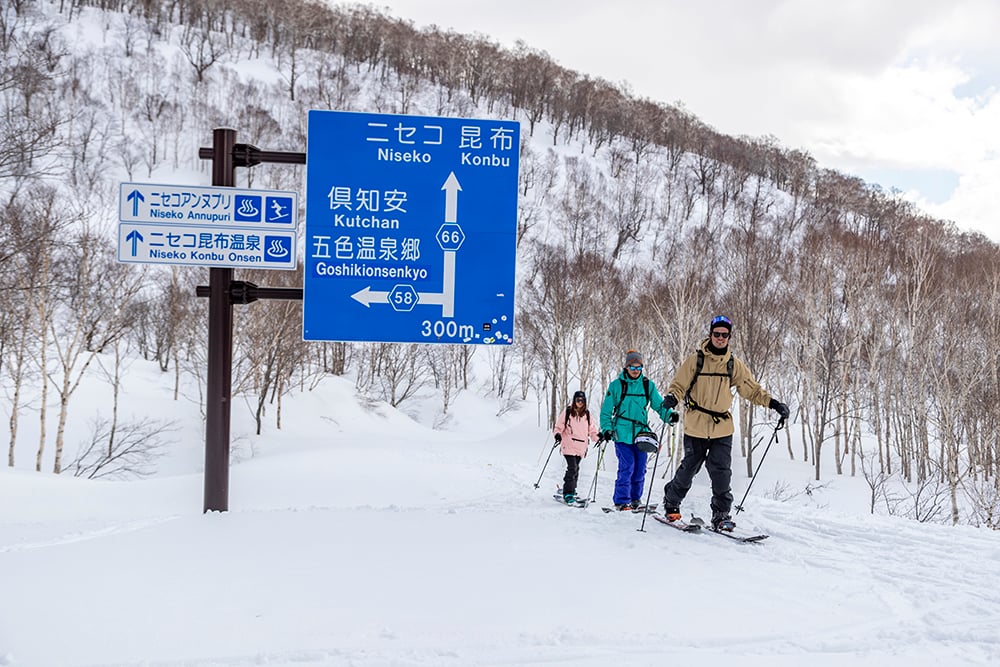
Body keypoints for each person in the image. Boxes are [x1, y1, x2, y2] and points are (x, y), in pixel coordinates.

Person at [660, 315, 790, 531]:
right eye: (716, 334)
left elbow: (752, 390)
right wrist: (672, 398)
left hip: (722, 427)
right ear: (710, 335)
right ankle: (671, 502)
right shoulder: (695, 361)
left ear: (729, 337)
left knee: (722, 472)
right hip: (696, 425)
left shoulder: (733, 365)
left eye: (724, 335)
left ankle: (721, 515)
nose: (720, 338)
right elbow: (679, 384)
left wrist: (774, 404)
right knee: (689, 469)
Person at [599, 350, 675, 510]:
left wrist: (669, 416)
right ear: (626, 367)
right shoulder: (616, 385)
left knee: (640, 468)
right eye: (632, 367)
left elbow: (659, 406)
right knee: (627, 466)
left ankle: (635, 499)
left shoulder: (648, 385)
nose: (635, 370)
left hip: (641, 434)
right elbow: (606, 411)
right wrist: (607, 429)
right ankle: (621, 500)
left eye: (639, 367)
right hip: (621, 432)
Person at [553, 390, 600, 504]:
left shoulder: (587, 414)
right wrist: (558, 434)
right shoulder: (568, 412)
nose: (580, 402)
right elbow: (559, 426)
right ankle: (568, 493)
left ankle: (572, 489)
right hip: (569, 444)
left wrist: (598, 437)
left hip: (581, 446)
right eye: (578, 400)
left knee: (576, 469)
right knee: (572, 468)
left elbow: (592, 430)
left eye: (582, 400)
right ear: (574, 401)